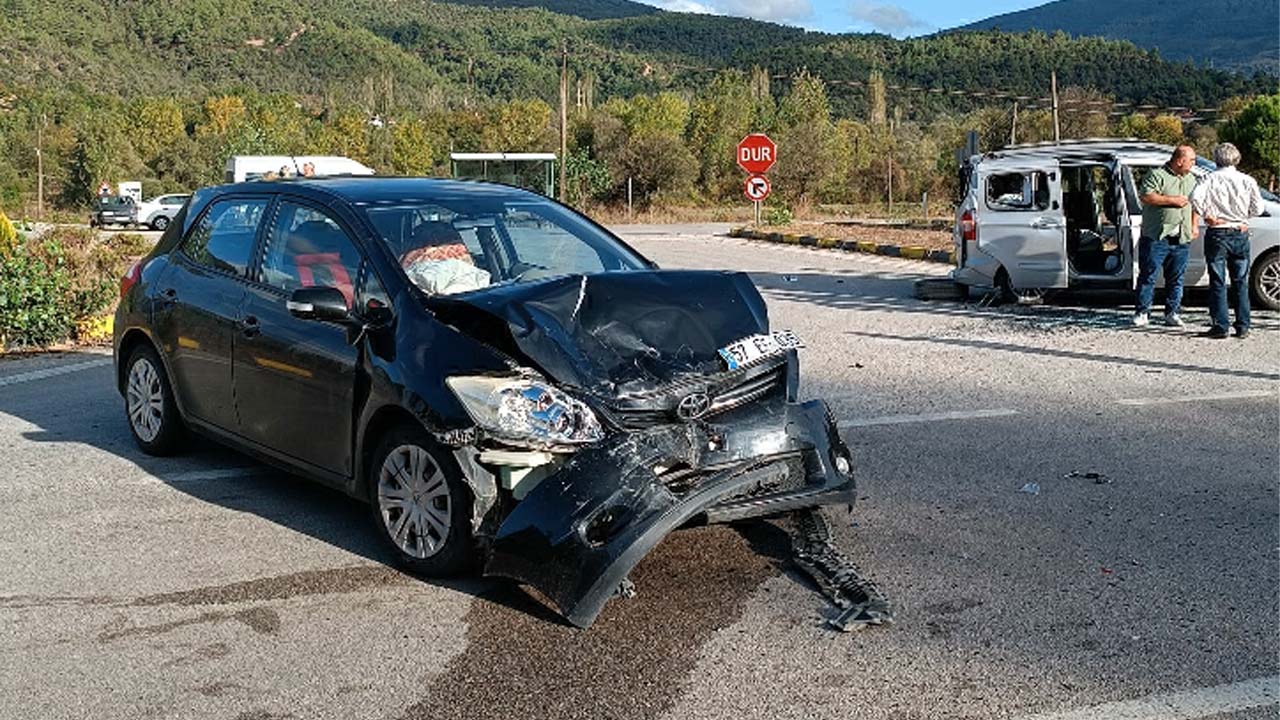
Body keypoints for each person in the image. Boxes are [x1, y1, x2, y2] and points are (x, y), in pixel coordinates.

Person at [1189, 142, 1264, 339]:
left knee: (1217, 280)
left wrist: (1208, 215)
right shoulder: (1247, 180)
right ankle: (1243, 325)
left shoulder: (1208, 178)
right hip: (1239, 230)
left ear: (1216, 159)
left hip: (1217, 232)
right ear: (1236, 158)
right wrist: (1244, 218)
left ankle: (1221, 325)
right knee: (1240, 280)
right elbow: (1258, 208)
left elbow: (1194, 198)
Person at [1134, 145, 1199, 328]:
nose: (1193, 163)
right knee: (1149, 275)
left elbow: (1196, 204)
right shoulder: (1157, 175)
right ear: (1179, 161)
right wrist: (1172, 200)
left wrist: (1194, 224)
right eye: (1191, 160)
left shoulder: (1192, 179)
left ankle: (1172, 313)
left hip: (1181, 238)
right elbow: (1146, 196)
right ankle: (1142, 312)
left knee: (1176, 278)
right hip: (1157, 236)